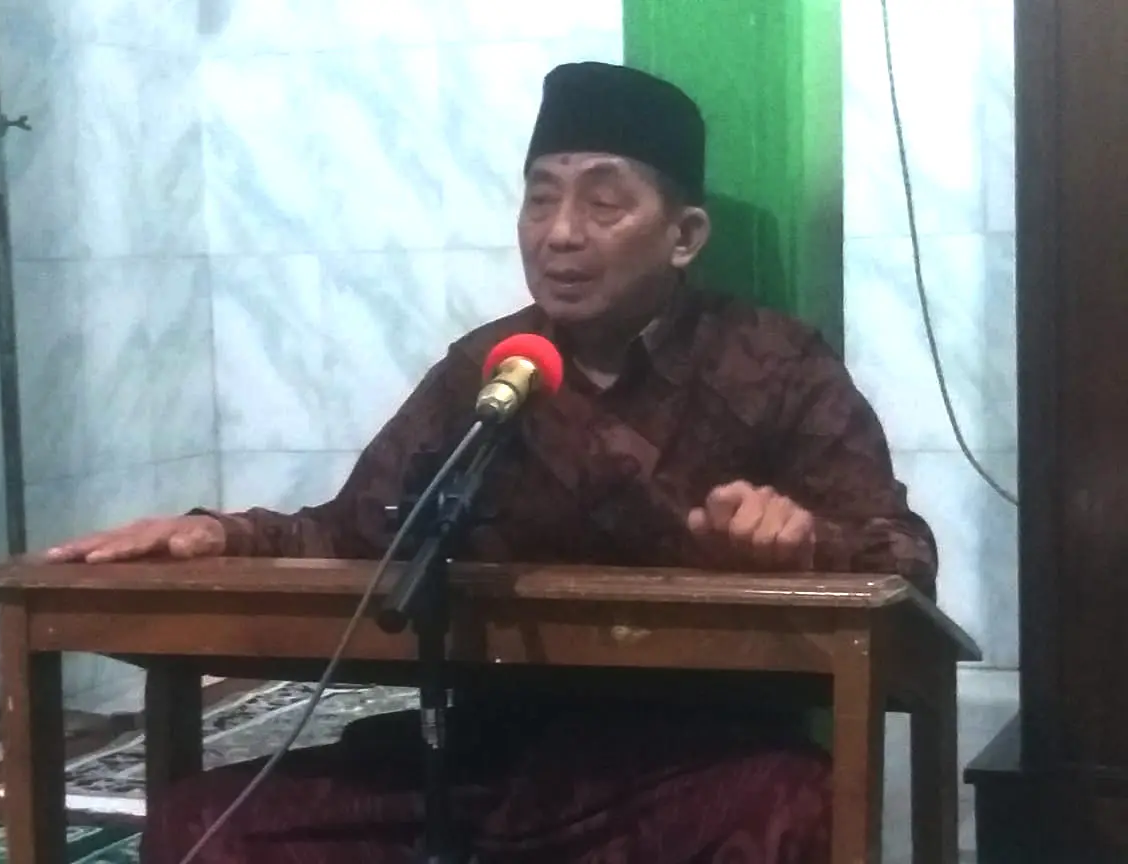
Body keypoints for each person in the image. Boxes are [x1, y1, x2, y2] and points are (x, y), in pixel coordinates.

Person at [49, 62, 937, 864]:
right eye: (540, 201)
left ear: (684, 235)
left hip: (682, 762)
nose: (560, 234)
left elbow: (902, 556)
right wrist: (221, 534)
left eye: (603, 204)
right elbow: (357, 531)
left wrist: (804, 546)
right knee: (205, 826)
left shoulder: (775, 365)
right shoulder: (488, 370)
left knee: (793, 812)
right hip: (481, 755)